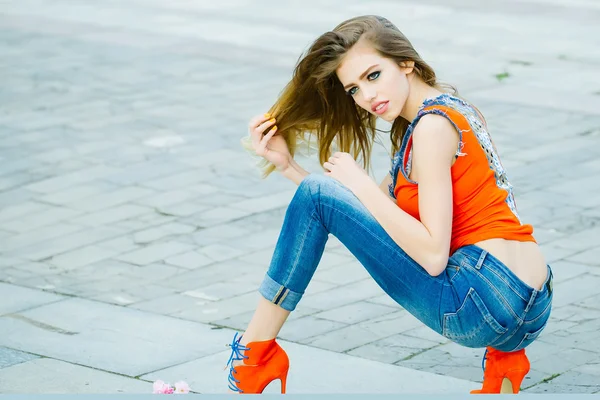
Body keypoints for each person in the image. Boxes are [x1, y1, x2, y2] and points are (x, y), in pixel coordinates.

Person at [225, 15, 553, 395]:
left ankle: (255, 354)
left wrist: (359, 181)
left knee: (321, 193)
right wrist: (289, 168)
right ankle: (505, 362)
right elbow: (354, 214)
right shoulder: (453, 110)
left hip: (483, 305)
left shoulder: (430, 130)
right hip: (534, 303)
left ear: (405, 63)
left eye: (373, 75)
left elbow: (432, 255)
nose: (366, 97)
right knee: (319, 193)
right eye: (353, 89)